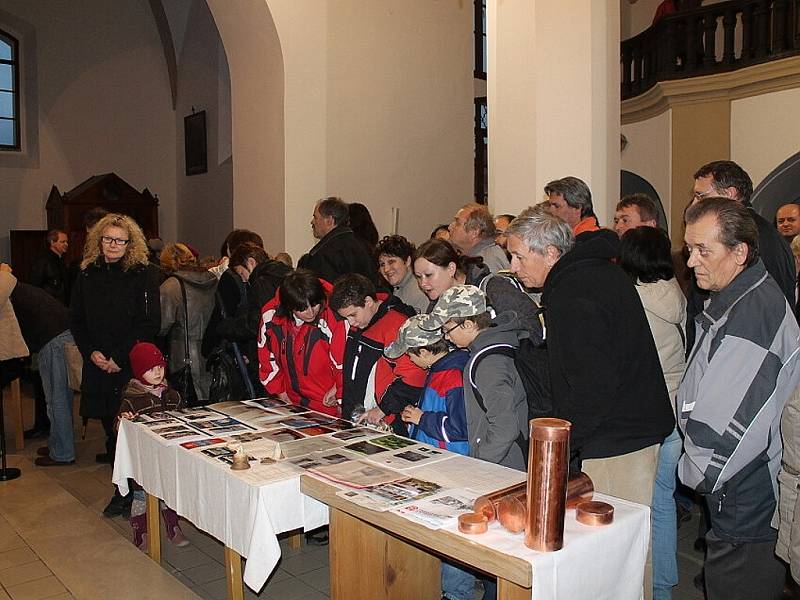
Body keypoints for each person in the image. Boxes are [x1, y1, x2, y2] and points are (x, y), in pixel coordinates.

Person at [679, 197, 800, 600]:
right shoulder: (738, 299)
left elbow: (733, 423)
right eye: (689, 248)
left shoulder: (753, 313)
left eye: (703, 250)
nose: (691, 261)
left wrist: (696, 473)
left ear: (739, 252)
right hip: (738, 482)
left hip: (746, 490)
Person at [70, 213, 160, 516]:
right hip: (97, 363)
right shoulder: (86, 273)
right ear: (99, 239)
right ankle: (120, 491)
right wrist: (91, 352)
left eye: (120, 240)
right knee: (110, 430)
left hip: (129, 364)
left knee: (134, 430)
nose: (113, 244)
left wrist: (119, 358)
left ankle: (140, 491)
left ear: (130, 243)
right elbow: (77, 320)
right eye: (108, 238)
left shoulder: (142, 274)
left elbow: (149, 324)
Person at [619, 227, 687, 600]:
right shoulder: (676, 293)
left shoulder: (633, 300)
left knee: (645, 503)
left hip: (649, 412)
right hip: (677, 408)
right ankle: (664, 584)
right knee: (663, 498)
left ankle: (652, 586)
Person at [384, 314, 471, 600]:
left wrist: (422, 418)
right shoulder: (440, 369)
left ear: (423, 352)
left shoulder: (452, 374)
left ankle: (457, 594)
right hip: (436, 461)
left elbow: (459, 427)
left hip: (452, 465)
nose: (408, 361)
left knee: (451, 531)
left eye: (410, 354)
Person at [421, 284, 529, 472]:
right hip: (501, 459)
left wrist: (479, 463)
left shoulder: (489, 363)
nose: (446, 337)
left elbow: (505, 426)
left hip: (502, 465)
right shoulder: (493, 349)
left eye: (448, 330)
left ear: (468, 325)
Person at [330, 273, 425, 434]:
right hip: (360, 416)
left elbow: (414, 376)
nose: (351, 322)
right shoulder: (362, 322)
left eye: (353, 315)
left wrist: (383, 408)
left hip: (386, 420)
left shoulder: (396, 324)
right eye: (346, 317)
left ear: (367, 302)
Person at [1, 264, 76, 466]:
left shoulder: (3, 284)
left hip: (53, 339)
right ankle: (58, 444)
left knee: (56, 399)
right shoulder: (9, 282)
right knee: (58, 398)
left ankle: (63, 452)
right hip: (57, 335)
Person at [117, 342, 189, 550]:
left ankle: (172, 526)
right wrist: (123, 419)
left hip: (167, 458)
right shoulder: (132, 399)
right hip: (143, 460)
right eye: (151, 369)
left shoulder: (172, 395)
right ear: (139, 371)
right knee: (141, 497)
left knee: (169, 494)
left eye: (160, 367)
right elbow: (119, 428)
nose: (158, 372)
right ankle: (141, 530)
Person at [258, 270, 347, 416]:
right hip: (291, 403)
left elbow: (344, 361)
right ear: (289, 307)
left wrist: (340, 391)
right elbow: (267, 358)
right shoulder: (271, 316)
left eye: (314, 304)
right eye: (302, 309)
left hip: (328, 403)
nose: (310, 312)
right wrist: (279, 391)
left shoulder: (334, 314)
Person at [216, 242, 292, 390]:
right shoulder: (286, 274)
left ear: (251, 262)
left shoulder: (261, 283)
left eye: (242, 273)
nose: (244, 280)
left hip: (271, 354)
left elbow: (256, 324)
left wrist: (226, 327)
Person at [159, 243, 218, 405]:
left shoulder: (170, 287)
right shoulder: (212, 280)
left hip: (182, 357)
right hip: (211, 355)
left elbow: (162, 327)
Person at [298, 196, 377, 284]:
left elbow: (325, 291)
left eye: (315, 217)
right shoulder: (364, 246)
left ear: (329, 220)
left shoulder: (325, 254)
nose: (312, 222)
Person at [448, 203, 509, 273]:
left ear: (474, 232)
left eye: (457, 223)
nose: (450, 227)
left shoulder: (486, 263)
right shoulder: (478, 257)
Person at [376, 235, 428, 314]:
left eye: (391, 262)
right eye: (382, 264)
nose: (386, 269)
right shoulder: (400, 288)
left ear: (407, 261)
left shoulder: (419, 291)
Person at [30, 229, 70, 305]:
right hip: (48, 303)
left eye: (67, 242)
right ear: (52, 242)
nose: (66, 244)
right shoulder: (43, 260)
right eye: (62, 242)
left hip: (61, 304)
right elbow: (36, 285)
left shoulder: (61, 260)